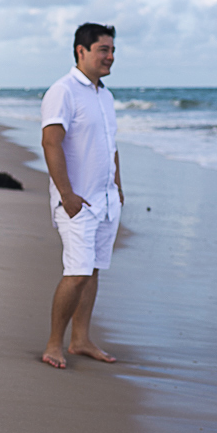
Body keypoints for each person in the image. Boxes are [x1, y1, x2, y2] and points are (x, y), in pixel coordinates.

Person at [39, 23, 123, 369]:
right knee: (76, 273)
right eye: (103, 49)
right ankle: (54, 344)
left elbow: (111, 146)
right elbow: (51, 142)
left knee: (92, 271)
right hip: (77, 203)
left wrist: (118, 187)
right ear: (81, 51)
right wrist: (67, 195)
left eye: (112, 50)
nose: (110, 56)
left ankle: (81, 339)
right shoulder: (63, 91)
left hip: (106, 202)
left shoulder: (105, 95)